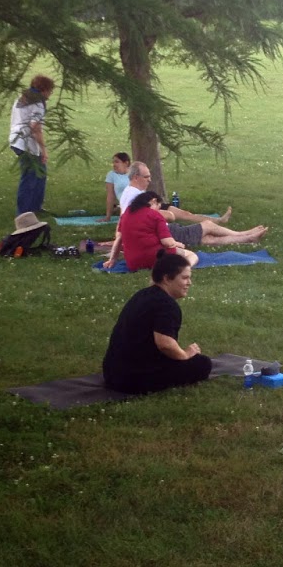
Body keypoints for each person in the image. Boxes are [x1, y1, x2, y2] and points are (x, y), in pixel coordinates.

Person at [102, 163, 264, 267]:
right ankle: (245, 235)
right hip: (166, 233)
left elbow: (124, 228)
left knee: (206, 239)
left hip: (157, 238)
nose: (149, 180)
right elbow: (157, 223)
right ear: (136, 177)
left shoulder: (130, 193)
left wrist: (115, 253)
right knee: (207, 226)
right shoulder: (137, 199)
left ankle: (247, 238)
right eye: (147, 177)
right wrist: (175, 243)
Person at [102, 250, 214, 394]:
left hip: (112, 372)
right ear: (167, 279)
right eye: (185, 278)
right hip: (130, 380)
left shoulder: (142, 294)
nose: (189, 283)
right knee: (202, 364)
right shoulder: (167, 305)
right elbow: (165, 345)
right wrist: (186, 354)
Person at [116, 190, 199, 272]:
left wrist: (112, 259)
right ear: (154, 201)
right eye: (158, 207)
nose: (158, 210)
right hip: (156, 258)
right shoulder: (155, 215)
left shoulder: (125, 215)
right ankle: (184, 269)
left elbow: (119, 239)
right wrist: (177, 244)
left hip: (133, 263)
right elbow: (167, 242)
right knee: (192, 255)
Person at [9, 74, 53, 216]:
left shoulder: (22, 99)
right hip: (25, 143)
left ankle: (35, 206)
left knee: (41, 173)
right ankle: (23, 213)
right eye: (50, 91)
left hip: (16, 139)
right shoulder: (38, 103)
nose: (50, 95)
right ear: (44, 89)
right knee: (29, 177)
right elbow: (35, 127)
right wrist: (43, 149)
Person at [103, 152, 132, 217]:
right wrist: (108, 216)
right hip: (125, 205)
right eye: (113, 162)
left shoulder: (134, 173)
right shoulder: (111, 175)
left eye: (117, 162)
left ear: (126, 163)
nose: (114, 164)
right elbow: (110, 196)